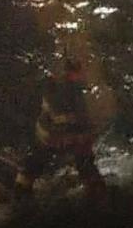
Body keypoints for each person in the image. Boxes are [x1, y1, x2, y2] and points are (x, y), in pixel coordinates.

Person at [14, 56, 107, 203]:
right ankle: (97, 195)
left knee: (34, 163)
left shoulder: (62, 87)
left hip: (56, 135)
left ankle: (21, 195)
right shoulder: (64, 88)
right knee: (83, 163)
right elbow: (64, 116)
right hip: (56, 135)